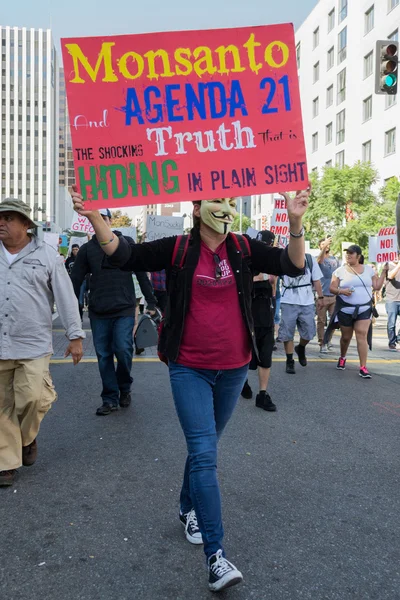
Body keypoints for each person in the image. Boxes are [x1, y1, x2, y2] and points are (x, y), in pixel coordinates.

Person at [72, 186, 309, 592]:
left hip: (234, 369)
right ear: (198, 209)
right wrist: (97, 217)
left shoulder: (244, 248)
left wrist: (297, 220)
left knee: (206, 447)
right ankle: (216, 557)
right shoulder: (178, 248)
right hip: (189, 367)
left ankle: (187, 507)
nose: (227, 210)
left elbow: (291, 264)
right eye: (219, 203)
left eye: (233, 204)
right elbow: (126, 254)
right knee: (204, 454)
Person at [0, 198, 84, 488]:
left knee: (33, 398)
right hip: (0, 343)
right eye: (0, 217)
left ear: (25, 224)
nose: (2, 223)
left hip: (33, 342)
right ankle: (7, 463)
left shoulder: (47, 255)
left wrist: (75, 336)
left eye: (9, 218)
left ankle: (27, 437)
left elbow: (65, 296)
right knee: (2, 405)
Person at [70, 208, 157, 416]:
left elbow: (141, 273)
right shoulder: (86, 250)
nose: (100, 222)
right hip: (98, 311)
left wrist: (152, 302)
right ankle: (109, 398)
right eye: (96, 218)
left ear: (110, 221)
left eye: (104, 218)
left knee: (123, 349)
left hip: (124, 309)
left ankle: (124, 387)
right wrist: (71, 312)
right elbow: (75, 281)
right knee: (103, 356)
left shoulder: (125, 242)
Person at [327, 245, 388, 378]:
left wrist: (384, 272)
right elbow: (332, 288)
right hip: (345, 309)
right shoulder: (339, 271)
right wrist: (342, 291)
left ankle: (363, 367)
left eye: (351, 253)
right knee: (346, 337)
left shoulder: (368, 270)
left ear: (358, 256)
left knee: (361, 335)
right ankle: (342, 357)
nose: (348, 255)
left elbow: (377, 286)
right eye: (347, 253)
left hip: (364, 309)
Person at [241, 230, 277, 412]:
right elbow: (241, 282)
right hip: (248, 313)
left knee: (266, 354)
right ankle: (242, 382)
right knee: (245, 352)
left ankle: (262, 394)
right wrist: (260, 277)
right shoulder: (246, 261)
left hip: (265, 312)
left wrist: (272, 279)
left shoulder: (270, 262)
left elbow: (274, 290)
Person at [279, 252, 324, 374]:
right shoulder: (283, 256)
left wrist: (320, 297)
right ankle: (289, 361)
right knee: (287, 332)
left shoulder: (309, 259)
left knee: (309, 333)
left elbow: (316, 279)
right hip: (288, 300)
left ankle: (301, 347)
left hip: (307, 301)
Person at [317, 237, 339, 353]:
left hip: (334, 295)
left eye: (327, 244)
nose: (326, 246)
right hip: (323, 295)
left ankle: (328, 340)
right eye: (323, 244)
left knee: (334, 320)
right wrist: (325, 245)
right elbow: (319, 260)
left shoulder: (335, 259)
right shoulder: (319, 259)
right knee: (321, 320)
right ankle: (322, 343)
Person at [385, 253, 400, 350]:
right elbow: (390, 276)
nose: (395, 257)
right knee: (391, 323)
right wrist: (399, 265)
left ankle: (399, 338)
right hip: (392, 299)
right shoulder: (387, 265)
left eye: (397, 255)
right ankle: (392, 342)